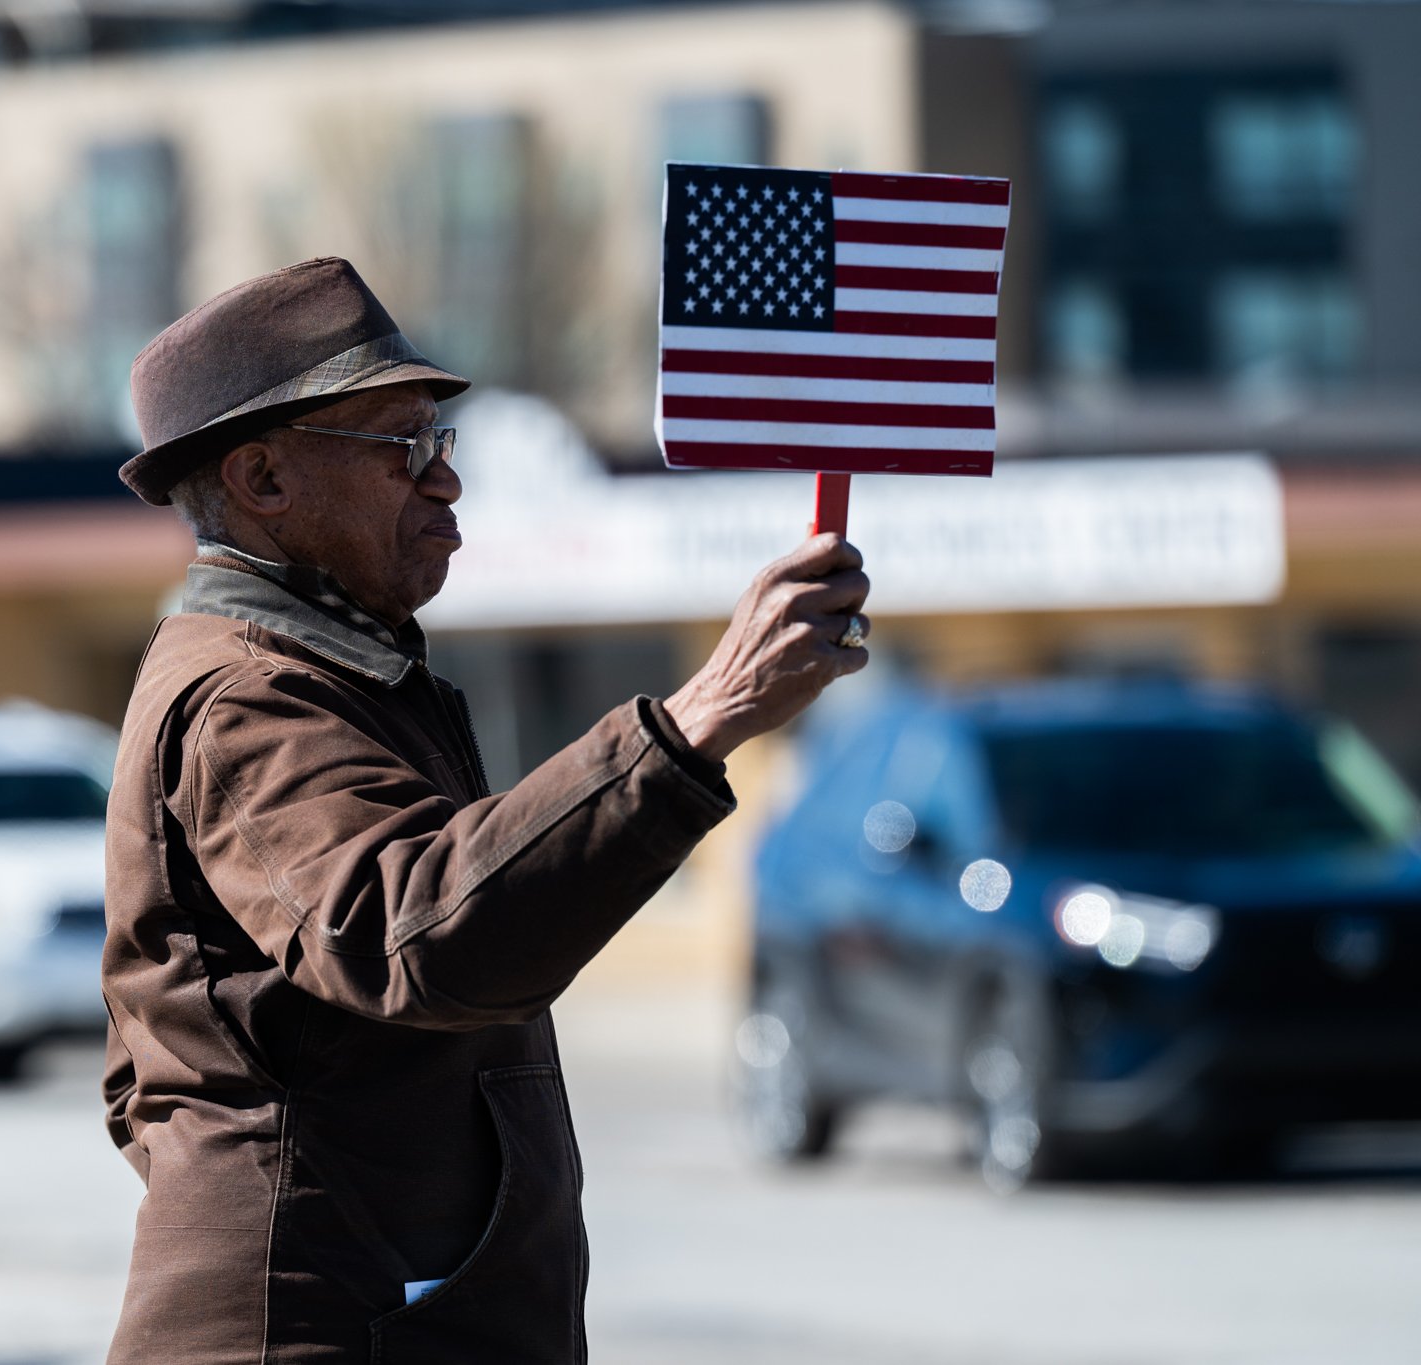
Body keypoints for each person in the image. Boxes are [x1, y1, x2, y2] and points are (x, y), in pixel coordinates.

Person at [100, 257, 869, 1363]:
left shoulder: (331, 676)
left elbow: (146, 1072)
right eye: (399, 446)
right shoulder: (247, 696)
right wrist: (699, 716)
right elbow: (411, 932)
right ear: (263, 480)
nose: (442, 480)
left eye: (439, 442)